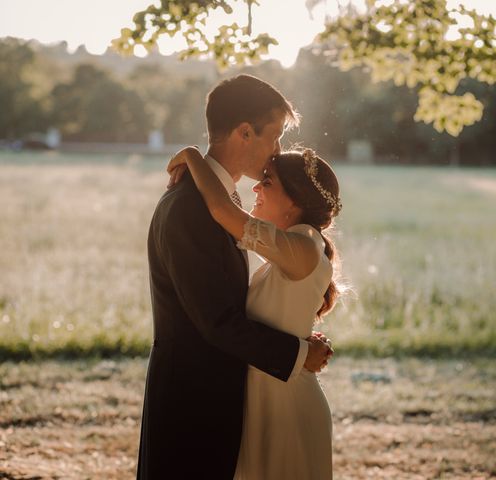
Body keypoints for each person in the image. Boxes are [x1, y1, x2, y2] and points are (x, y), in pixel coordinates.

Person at [136, 74, 333, 480]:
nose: (278, 150)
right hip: (191, 404)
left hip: (223, 402)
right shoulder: (190, 206)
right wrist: (299, 354)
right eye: (275, 134)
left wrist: (192, 155)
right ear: (245, 132)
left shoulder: (218, 201)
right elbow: (217, 321)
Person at [167, 144, 342, 480]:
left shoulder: (304, 247)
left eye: (268, 182)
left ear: (296, 200)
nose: (255, 188)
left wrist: (192, 155)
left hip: (287, 408)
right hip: (266, 401)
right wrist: (303, 346)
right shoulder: (294, 246)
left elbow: (221, 209)